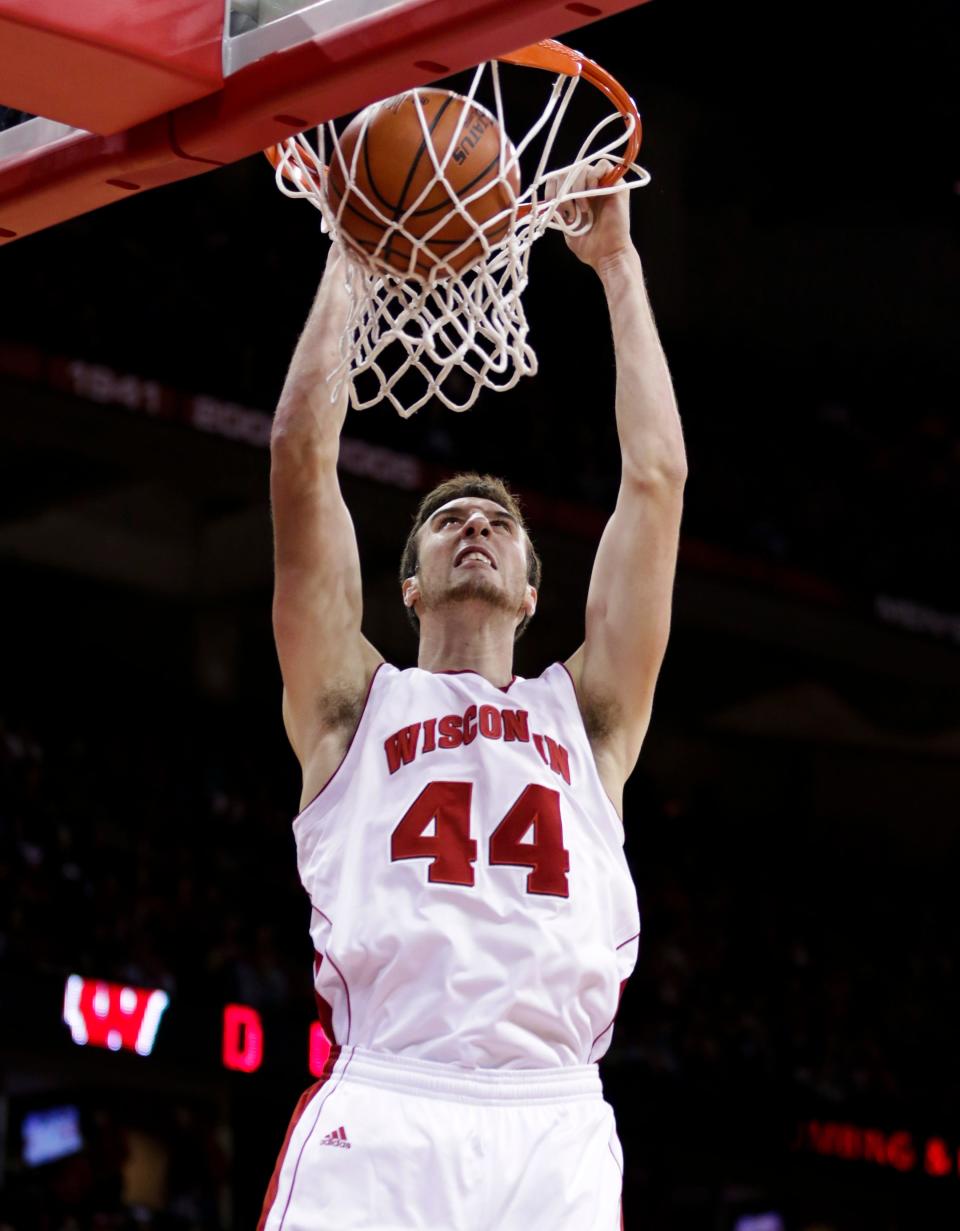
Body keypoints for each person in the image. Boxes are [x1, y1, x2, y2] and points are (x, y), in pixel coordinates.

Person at [260, 171, 687, 1230]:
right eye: (447, 518)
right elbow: (300, 459)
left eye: (496, 522)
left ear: (535, 590)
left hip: (554, 1118)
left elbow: (658, 480)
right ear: (406, 583)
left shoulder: (588, 718)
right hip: (390, 1093)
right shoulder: (351, 706)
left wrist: (620, 271)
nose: (473, 526)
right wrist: (354, 256)